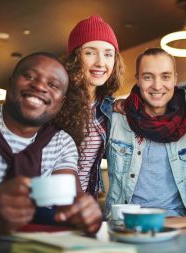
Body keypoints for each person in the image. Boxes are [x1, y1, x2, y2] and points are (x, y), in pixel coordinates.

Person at [0, 53, 102, 235]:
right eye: (29, 76)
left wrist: (84, 213)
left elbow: (70, 199)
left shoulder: (60, 142)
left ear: (61, 102)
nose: (40, 86)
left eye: (53, 85)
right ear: (11, 83)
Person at [105, 48, 186, 217]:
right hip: (125, 222)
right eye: (148, 77)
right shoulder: (115, 120)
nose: (157, 86)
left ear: (175, 79)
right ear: (138, 80)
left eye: (165, 76)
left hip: (180, 222)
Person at [53, 16, 124, 198]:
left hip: (85, 207)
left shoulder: (107, 108)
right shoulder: (55, 101)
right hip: (48, 205)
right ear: (75, 58)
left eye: (108, 54)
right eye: (90, 52)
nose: (101, 62)